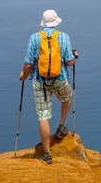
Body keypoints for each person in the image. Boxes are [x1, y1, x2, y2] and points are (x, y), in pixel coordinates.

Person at [20, 9, 78, 164]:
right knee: (67, 98)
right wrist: (76, 56)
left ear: (43, 22)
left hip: (40, 82)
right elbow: (70, 62)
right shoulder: (64, 37)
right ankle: (60, 127)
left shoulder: (34, 38)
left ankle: (47, 154)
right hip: (60, 79)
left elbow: (28, 63)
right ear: (56, 22)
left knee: (43, 117)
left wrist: (24, 75)